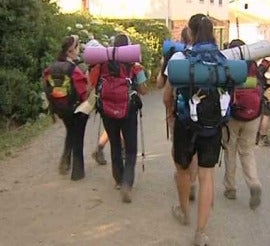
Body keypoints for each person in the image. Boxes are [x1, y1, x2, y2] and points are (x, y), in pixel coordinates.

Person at [163, 13, 226, 245]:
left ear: (189, 32)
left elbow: (167, 95)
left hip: (185, 124)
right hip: (213, 125)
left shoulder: (179, 57)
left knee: (181, 169)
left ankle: (183, 212)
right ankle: (200, 232)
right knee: (207, 175)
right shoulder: (223, 58)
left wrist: (171, 115)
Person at [97, 33, 148, 203]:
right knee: (131, 149)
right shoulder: (134, 66)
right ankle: (127, 182)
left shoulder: (103, 64)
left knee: (115, 145)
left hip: (107, 110)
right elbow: (143, 90)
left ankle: (118, 180)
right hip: (128, 111)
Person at [157, 26, 198, 201]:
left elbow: (163, 87)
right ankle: (193, 182)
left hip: (179, 111)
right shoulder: (205, 56)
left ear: (181, 40)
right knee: (195, 148)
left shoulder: (176, 57)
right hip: (201, 111)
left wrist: (169, 111)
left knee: (179, 144)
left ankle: (182, 176)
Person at [221, 39, 262, 210]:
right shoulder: (253, 64)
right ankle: (254, 183)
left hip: (233, 113)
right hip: (254, 113)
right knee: (247, 152)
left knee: (230, 150)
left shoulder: (227, 64)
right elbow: (261, 86)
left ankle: (230, 188)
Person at [44, 35, 89, 181]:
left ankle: (65, 159)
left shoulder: (51, 67)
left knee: (70, 131)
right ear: (70, 51)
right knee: (79, 137)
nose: (79, 49)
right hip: (76, 107)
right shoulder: (74, 69)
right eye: (77, 47)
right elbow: (82, 91)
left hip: (60, 107)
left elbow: (46, 87)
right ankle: (77, 171)